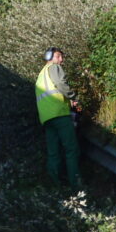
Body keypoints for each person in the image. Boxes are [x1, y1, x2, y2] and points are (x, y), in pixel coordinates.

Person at [35, 47, 80, 189]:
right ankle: (75, 185)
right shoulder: (53, 67)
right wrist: (73, 97)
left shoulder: (41, 74)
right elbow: (61, 84)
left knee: (53, 152)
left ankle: (54, 186)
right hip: (60, 114)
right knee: (71, 149)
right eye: (58, 56)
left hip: (47, 118)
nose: (61, 60)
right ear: (50, 57)